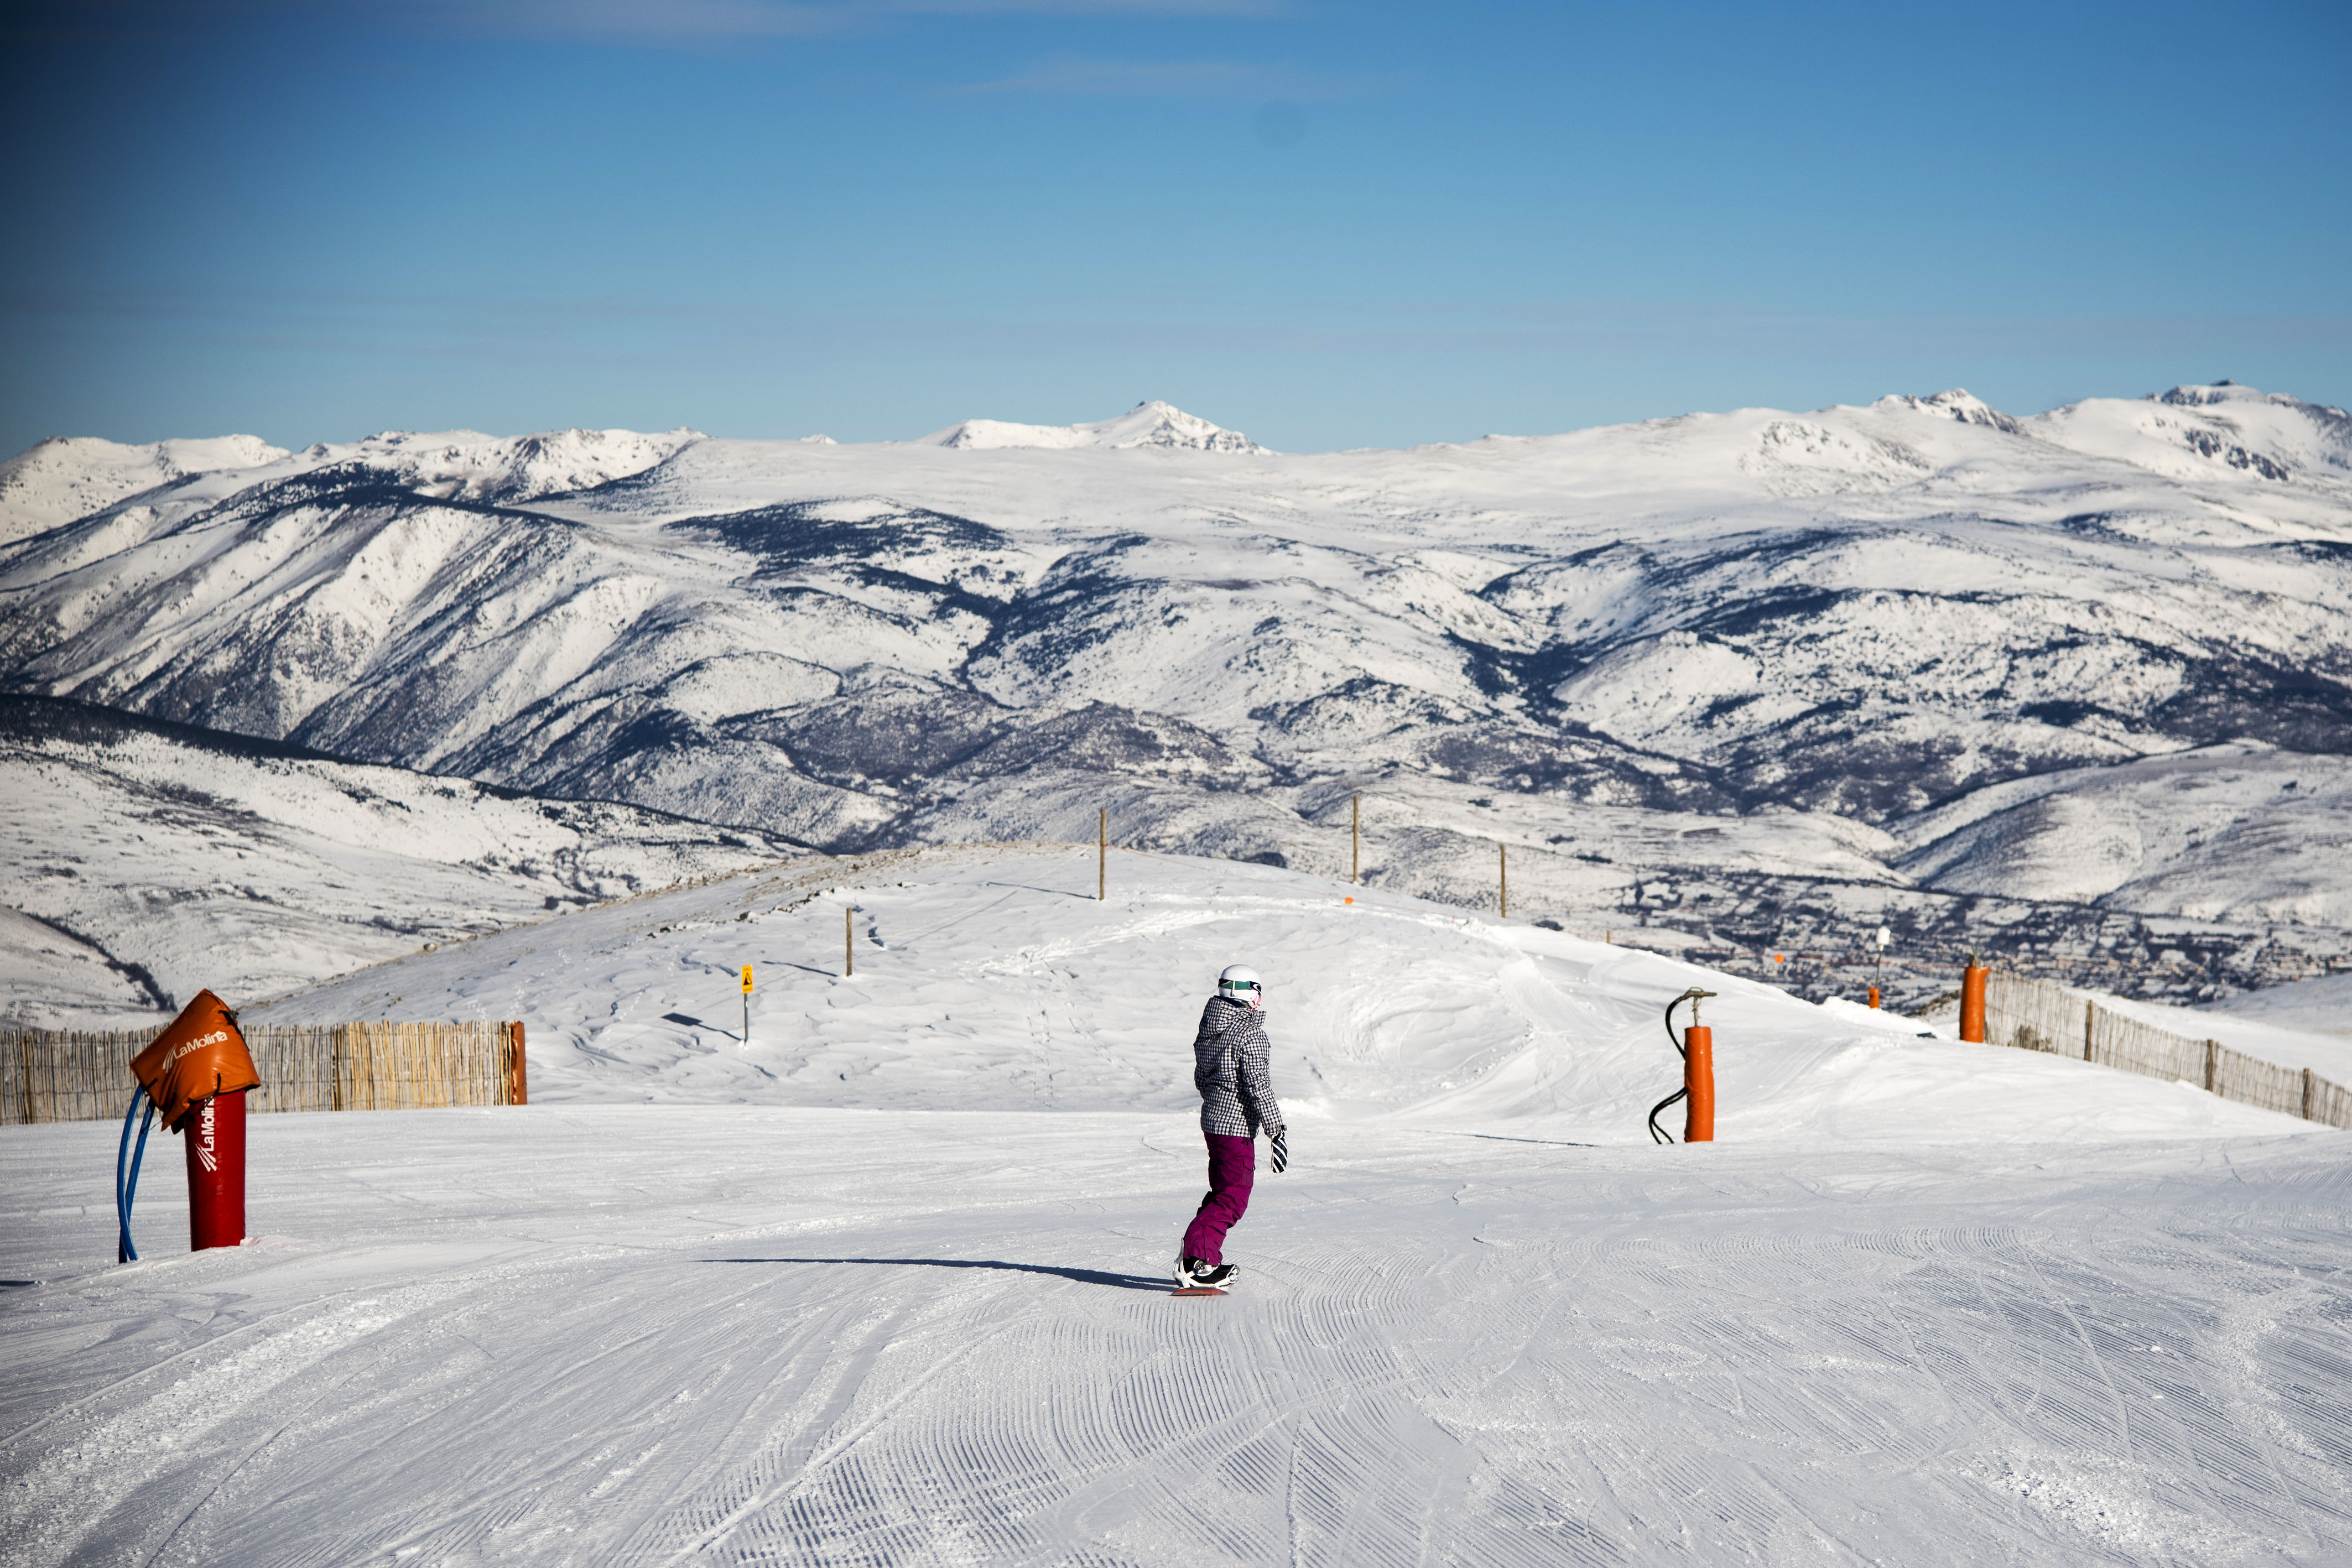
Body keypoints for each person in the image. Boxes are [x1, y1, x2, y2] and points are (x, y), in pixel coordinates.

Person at [1175, 963, 1288, 1290]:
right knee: (1233, 1198)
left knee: (1222, 1192)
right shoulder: (1249, 1033)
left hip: (1213, 1122)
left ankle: (1197, 1254)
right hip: (1235, 1128)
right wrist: (1276, 1131)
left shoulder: (1211, 1027)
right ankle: (1197, 1264)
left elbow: (1202, 1078)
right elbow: (1259, 1086)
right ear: (1249, 992)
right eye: (1258, 991)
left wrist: (1217, 1102)